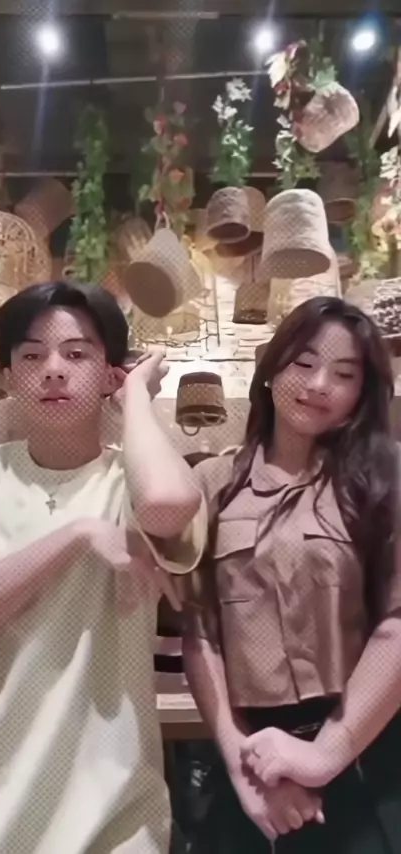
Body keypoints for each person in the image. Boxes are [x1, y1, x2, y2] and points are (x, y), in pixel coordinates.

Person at [0, 280, 207, 854]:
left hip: (112, 814)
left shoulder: (136, 478)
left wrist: (138, 399)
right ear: (9, 378)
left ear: (109, 375)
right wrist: (76, 537)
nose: (53, 370)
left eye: (77, 354)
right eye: (32, 357)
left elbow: (166, 506)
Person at [182, 296, 401, 853]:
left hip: (366, 752)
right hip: (250, 761)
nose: (319, 384)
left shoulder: (384, 480)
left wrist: (325, 755)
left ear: (360, 397)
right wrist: (243, 767)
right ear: (271, 371)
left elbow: (397, 624)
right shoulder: (213, 484)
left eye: (344, 374)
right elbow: (202, 635)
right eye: (304, 363)